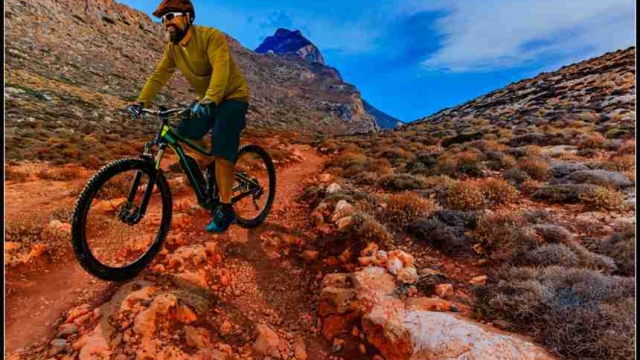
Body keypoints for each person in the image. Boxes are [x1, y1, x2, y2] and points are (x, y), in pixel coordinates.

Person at [129, 0, 250, 233]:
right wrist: (140, 101)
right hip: (208, 99)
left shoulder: (210, 37)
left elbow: (221, 69)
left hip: (232, 96)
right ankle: (209, 168)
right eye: (163, 19)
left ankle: (226, 209)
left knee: (223, 144)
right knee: (182, 133)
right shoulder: (174, 48)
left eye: (171, 15)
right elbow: (159, 75)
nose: (166, 22)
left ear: (188, 17)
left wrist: (210, 99)